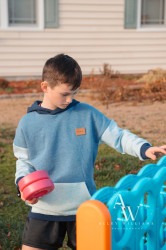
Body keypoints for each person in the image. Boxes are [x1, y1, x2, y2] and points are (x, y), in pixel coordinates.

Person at [13, 53, 166, 250]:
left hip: (84, 207)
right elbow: (23, 161)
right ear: (45, 87)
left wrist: (143, 148)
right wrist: (22, 185)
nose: (69, 99)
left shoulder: (87, 114)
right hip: (45, 206)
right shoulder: (28, 123)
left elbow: (118, 136)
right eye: (64, 94)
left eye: (74, 93)